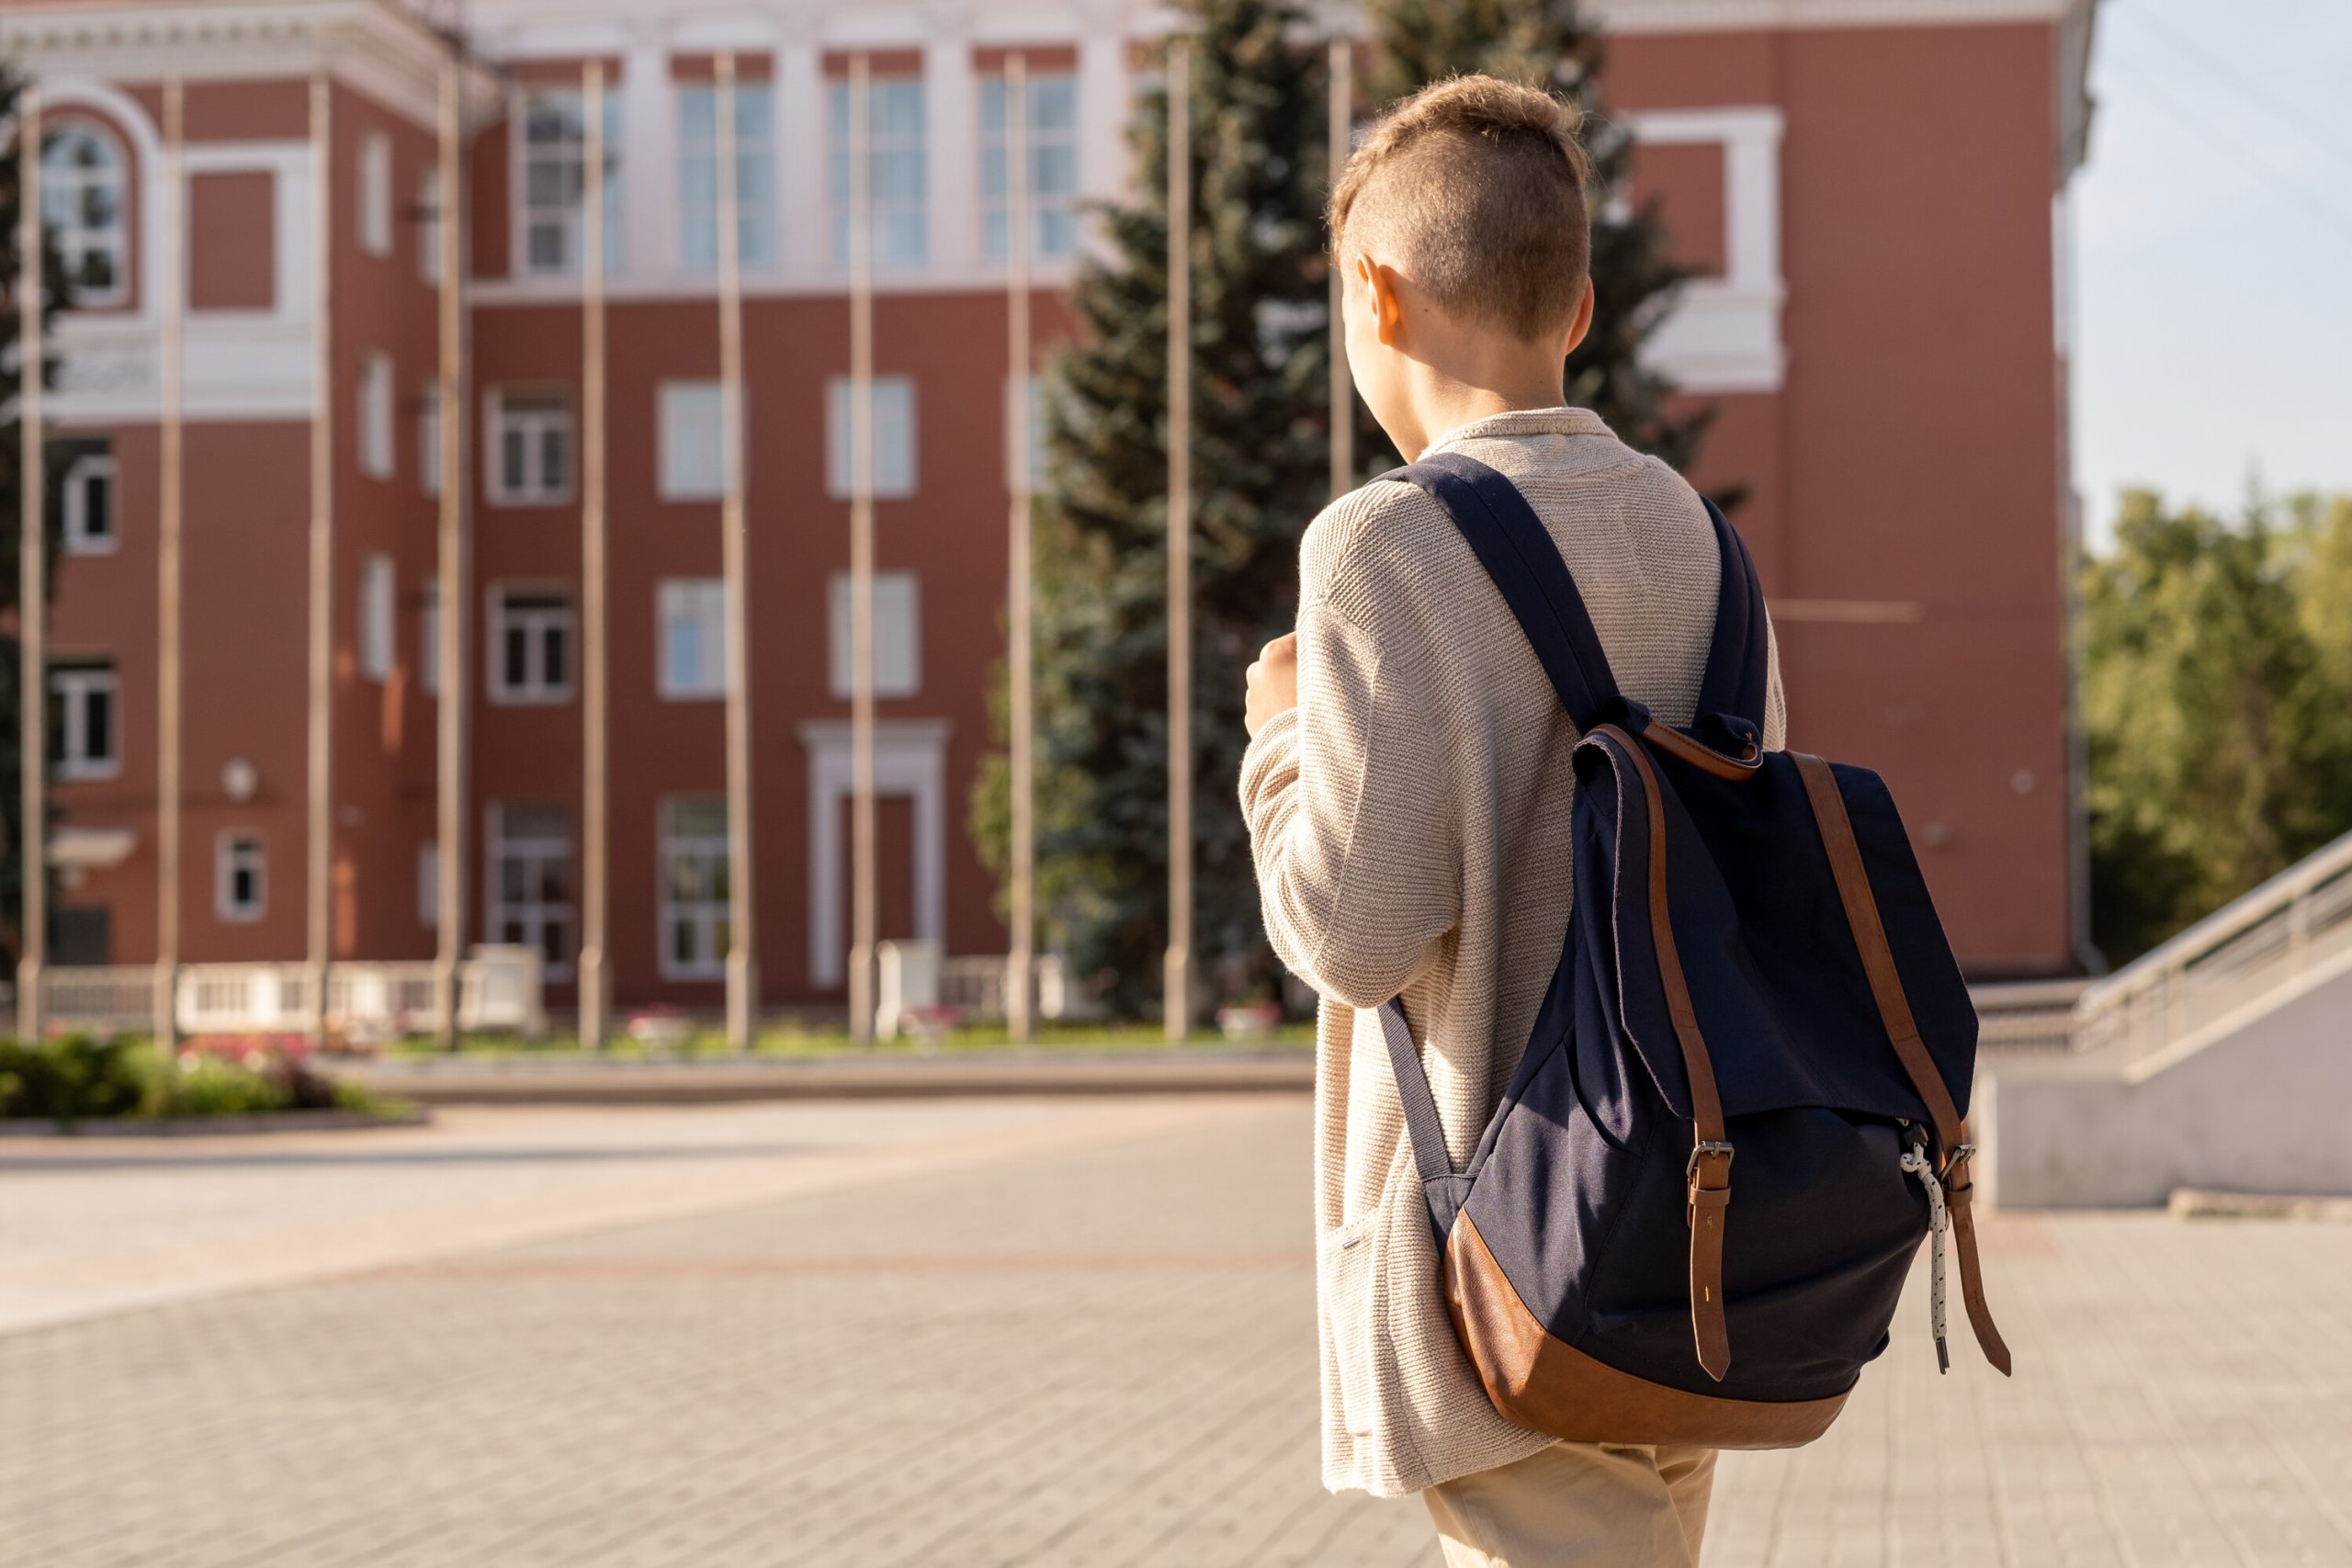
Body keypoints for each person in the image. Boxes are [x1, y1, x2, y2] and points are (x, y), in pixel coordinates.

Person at [1238, 74, 1785, 1566]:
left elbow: (1351, 932)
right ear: (1583, 306)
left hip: (1516, 1264)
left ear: (1377, 292)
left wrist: (1279, 741)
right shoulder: (1701, 540)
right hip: (1701, 1236)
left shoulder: (1380, 545)